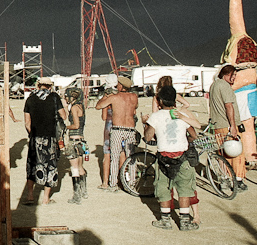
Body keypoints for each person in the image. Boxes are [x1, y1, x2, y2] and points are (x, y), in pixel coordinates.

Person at [218, 0, 257, 167]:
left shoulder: (242, 42)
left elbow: (248, 74)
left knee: (242, 123)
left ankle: (248, 155)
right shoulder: (242, 42)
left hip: (243, 89)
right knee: (247, 124)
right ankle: (250, 154)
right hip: (245, 89)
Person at [146, 86, 203, 231]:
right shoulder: (180, 114)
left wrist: (145, 123)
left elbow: (147, 138)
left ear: (160, 101)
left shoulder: (155, 117)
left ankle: (165, 220)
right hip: (182, 157)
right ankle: (184, 221)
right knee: (184, 188)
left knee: (163, 188)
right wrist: (185, 139)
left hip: (164, 158)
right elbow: (194, 135)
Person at [23, 78, 64, 205]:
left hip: (35, 137)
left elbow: (27, 122)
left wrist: (32, 134)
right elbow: (63, 116)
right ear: (49, 87)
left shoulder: (30, 98)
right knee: (50, 166)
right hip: (50, 136)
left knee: (32, 165)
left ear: (39, 85)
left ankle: (30, 195)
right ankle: (46, 198)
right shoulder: (54, 97)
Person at [95, 76, 139, 192]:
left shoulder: (114, 97)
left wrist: (106, 95)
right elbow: (134, 109)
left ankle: (113, 184)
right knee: (131, 157)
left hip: (117, 128)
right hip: (130, 128)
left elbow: (98, 106)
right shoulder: (134, 97)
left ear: (120, 86)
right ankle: (131, 183)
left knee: (114, 157)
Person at [209, 64, 246, 190]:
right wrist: (233, 126)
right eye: (233, 75)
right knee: (236, 153)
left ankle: (223, 179)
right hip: (227, 125)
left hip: (217, 125)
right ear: (226, 74)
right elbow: (228, 106)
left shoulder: (214, 85)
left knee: (222, 153)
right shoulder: (224, 86)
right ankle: (238, 180)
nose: (234, 78)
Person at [64, 86, 87, 204]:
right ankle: (84, 191)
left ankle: (76, 195)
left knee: (74, 168)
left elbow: (76, 125)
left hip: (74, 139)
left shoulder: (73, 108)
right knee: (80, 166)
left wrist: (65, 127)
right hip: (81, 140)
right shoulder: (80, 106)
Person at [99, 102, 113, 190]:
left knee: (107, 155)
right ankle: (119, 180)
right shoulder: (121, 99)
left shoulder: (107, 103)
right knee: (121, 154)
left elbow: (104, 117)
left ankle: (105, 182)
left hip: (109, 128)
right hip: (121, 126)